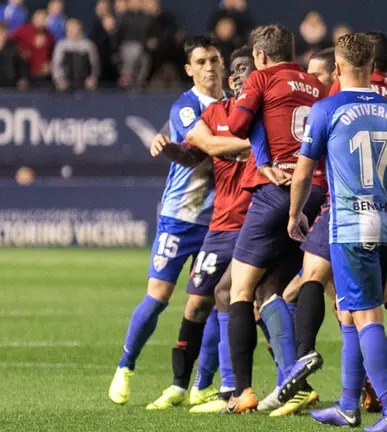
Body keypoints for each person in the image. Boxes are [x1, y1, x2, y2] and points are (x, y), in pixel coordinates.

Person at [280, 31, 387, 416]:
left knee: (366, 316)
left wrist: (295, 213)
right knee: (351, 313)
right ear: (371, 67)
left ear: (337, 67)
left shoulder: (327, 109)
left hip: (350, 226)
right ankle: (348, 405)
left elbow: (302, 173)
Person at [108, 34, 224, 406]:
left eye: (214, 60)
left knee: (208, 301)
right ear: (189, 69)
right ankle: (126, 365)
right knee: (158, 296)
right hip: (180, 217)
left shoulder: (236, 105)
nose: (210, 67)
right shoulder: (186, 108)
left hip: (218, 219)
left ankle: (199, 385)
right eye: (202, 62)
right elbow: (199, 149)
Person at [142, 45, 257, 412]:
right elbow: (197, 151)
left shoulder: (261, 114)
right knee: (198, 301)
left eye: (244, 70)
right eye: (234, 69)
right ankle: (186, 386)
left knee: (242, 299)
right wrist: (171, 149)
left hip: (250, 221)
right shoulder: (217, 112)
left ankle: (231, 390)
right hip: (218, 225)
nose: (236, 75)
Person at [223, 24, 328, 414]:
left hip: (278, 192)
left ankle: (242, 391)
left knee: (239, 290)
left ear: (261, 56)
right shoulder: (316, 85)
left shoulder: (262, 78)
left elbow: (236, 126)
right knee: (271, 290)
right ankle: (293, 382)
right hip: (314, 193)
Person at [51, 19, 100, 91]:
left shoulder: (89, 45)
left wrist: (93, 78)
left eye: (74, 28)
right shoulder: (61, 45)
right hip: (65, 83)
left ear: (80, 28)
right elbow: (56, 65)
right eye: (69, 28)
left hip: (85, 83)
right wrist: (59, 80)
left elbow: (95, 64)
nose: (72, 30)